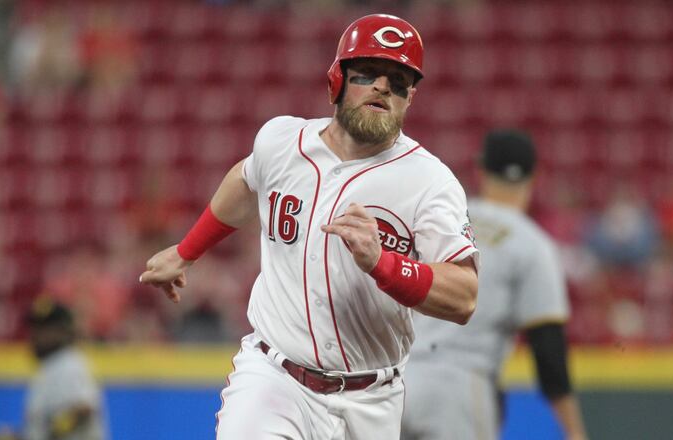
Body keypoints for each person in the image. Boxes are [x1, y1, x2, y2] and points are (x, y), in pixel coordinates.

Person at [139, 14, 479, 440]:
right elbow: (246, 183)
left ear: (410, 97)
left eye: (398, 80)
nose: (382, 87)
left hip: (371, 399)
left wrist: (383, 264)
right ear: (337, 81)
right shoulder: (282, 141)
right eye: (368, 73)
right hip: (274, 377)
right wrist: (185, 251)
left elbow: (464, 297)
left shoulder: (430, 182)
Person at [401, 130, 588, 440]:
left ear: (482, 170)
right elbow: (548, 351)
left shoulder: (445, 221)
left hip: (399, 378)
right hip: (460, 386)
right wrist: (574, 431)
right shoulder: (534, 245)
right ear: (533, 177)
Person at [24, 296, 106, 440]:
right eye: (34, 329)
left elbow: (84, 409)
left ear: (63, 331)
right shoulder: (51, 366)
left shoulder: (69, 363)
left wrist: (51, 430)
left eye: (43, 329)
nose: (35, 336)